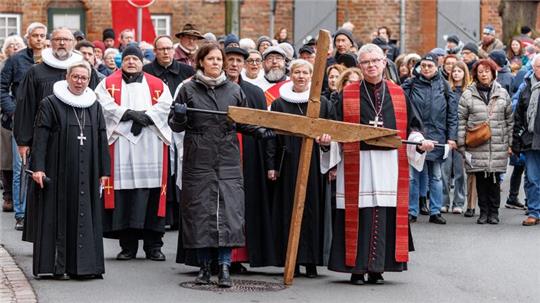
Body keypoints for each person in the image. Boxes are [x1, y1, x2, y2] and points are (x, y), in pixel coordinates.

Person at [321, 44, 434, 285]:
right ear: (359, 66)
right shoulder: (348, 94)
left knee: (382, 213)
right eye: (365, 62)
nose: (371, 66)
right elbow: (333, 128)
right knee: (358, 213)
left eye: (375, 61)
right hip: (357, 163)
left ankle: (377, 268)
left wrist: (419, 142)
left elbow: (412, 128)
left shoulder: (399, 94)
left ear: (384, 62)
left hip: (388, 165)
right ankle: (356, 268)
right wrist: (326, 141)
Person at [168, 43, 272, 288]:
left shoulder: (234, 90)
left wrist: (261, 132)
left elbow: (243, 122)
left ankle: (225, 267)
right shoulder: (188, 89)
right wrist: (181, 115)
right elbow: (175, 125)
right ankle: (204, 268)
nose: (215, 63)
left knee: (229, 212)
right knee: (200, 212)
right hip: (199, 157)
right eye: (211, 59)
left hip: (227, 158)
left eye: (218, 59)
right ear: (201, 61)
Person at [30, 60, 110, 279]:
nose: (79, 81)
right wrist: (38, 167)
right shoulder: (50, 103)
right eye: (75, 76)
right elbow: (40, 137)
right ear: (66, 77)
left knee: (86, 214)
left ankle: (85, 267)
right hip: (59, 169)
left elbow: (102, 136)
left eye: (84, 78)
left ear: (89, 80)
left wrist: (104, 170)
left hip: (88, 170)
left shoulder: (94, 105)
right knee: (59, 215)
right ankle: (58, 266)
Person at [95, 45, 173, 262]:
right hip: (122, 146)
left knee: (153, 194)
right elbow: (102, 105)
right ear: (122, 62)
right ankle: (127, 246)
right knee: (125, 196)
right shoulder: (108, 83)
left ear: (142, 62)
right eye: (127, 58)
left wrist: (146, 117)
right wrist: (128, 114)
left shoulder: (157, 84)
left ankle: (153, 246)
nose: (131, 62)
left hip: (151, 145)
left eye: (135, 59)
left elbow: (167, 106)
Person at [14, 27, 84, 237]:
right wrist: (23, 141)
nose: (62, 43)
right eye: (58, 39)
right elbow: (25, 106)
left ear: (73, 43)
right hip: (44, 141)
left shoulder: (83, 72)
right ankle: (44, 234)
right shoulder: (36, 72)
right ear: (50, 43)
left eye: (66, 39)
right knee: (45, 186)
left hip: (76, 140)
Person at [267, 59, 333, 278]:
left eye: (305, 73)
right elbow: (272, 138)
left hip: (315, 163)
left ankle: (312, 261)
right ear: (291, 74)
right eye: (297, 72)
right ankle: (291, 261)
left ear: (312, 76)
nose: (301, 76)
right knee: (288, 210)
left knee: (312, 210)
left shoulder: (322, 103)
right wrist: (272, 165)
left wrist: (327, 148)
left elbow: (334, 134)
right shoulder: (279, 104)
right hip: (288, 163)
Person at [223, 46, 277, 269]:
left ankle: (239, 257)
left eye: (238, 60)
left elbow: (264, 129)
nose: (234, 64)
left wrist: (268, 163)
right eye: (230, 60)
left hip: (249, 156)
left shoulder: (254, 93)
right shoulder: (211, 88)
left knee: (246, 206)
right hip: (221, 154)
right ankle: (217, 257)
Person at [143, 35, 195, 231]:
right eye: (161, 49)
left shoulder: (187, 71)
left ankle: (178, 215)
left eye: (168, 49)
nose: (165, 52)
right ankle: (163, 214)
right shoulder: (147, 72)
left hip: (180, 128)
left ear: (174, 51)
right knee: (162, 169)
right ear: (155, 52)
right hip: (156, 127)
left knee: (180, 168)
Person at [402, 54, 458, 224]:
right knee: (413, 176)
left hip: (437, 136)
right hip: (415, 135)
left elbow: (452, 114)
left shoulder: (444, 86)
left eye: (430, 66)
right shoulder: (410, 84)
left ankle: (435, 210)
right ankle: (412, 210)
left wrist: (452, 137)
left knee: (436, 176)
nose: (426, 69)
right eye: (423, 65)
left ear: (436, 67)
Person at [457, 59, 513, 224]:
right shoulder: (468, 94)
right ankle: (483, 212)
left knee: (495, 179)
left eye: (487, 71)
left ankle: (494, 213)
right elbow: (461, 120)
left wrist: (510, 142)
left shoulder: (502, 93)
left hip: (498, 142)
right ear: (475, 74)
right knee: (481, 179)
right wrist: (461, 143)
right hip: (476, 143)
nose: (484, 74)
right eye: (480, 71)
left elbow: (510, 120)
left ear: (493, 73)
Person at [512, 54, 540, 226]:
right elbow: (518, 116)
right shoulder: (526, 87)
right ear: (534, 68)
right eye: (538, 67)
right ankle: (534, 211)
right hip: (531, 140)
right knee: (532, 178)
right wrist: (516, 140)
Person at [441, 61, 471, 214]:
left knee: (460, 172)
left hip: (462, 137)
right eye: (454, 71)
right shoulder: (447, 90)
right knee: (444, 172)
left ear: (464, 73)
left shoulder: (469, 91)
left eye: (460, 71)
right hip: (447, 136)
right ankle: (444, 201)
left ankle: (458, 202)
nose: (456, 73)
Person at [0, 35, 25, 213]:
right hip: (7, 118)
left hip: (21, 116)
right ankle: (9, 195)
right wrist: (11, 109)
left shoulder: (25, 65)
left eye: (18, 45)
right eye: (11, 45)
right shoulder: (5, 66)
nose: (14, 47)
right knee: (8, 158)